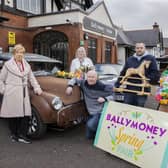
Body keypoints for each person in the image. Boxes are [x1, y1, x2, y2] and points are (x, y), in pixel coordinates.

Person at [0, 44, 42, 144]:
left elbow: (32, 78)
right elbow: (1, 79)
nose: (20, 54)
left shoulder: (26, 65)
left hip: (23, 93)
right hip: (11, 93)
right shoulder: (7, 65)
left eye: (22, 52)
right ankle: (14, 135)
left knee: (25, 115)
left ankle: (22, 135)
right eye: (18, 52)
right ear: (14, 53)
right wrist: (3, 90)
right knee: (13, 115)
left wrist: (37, 88)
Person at [66, 70, 113, 139]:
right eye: (89, 77)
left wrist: (105, 98)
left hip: (100, 112)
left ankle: (104, 132)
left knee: (90, 125)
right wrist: (70, 86)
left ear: (97, 78)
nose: (90, 79)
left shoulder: (103, 87)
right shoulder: (84, 83)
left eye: (93, 77)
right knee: (89, 137)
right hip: (90, 113)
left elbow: (114, 95)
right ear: (86, 77)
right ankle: (96, 128)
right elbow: (75, 79)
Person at [115, 42, 160, 107]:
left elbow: (155, 72)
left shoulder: (151, 58)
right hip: (129, 90)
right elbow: (123, 72)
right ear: (135, 49)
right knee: (127, 107)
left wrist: (147, 79)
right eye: (137, 48)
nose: (139, 49)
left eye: (141, 48)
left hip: (142, 90)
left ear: (145, 48)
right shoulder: (130, 59)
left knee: (139, 109)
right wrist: (117, 84)